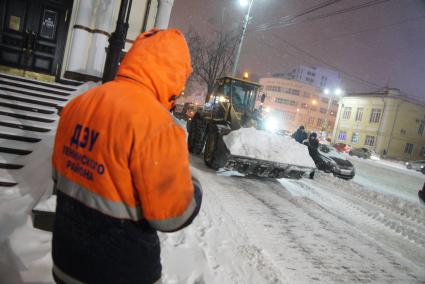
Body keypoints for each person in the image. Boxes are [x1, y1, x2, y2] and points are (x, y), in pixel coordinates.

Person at [51, 29, 202, 284]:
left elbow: (59, 176)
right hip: (121, 271)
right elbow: (173, 216)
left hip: (66, 261)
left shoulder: (79, 104)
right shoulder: (158, 126)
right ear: (174, 74)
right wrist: (194, 185)